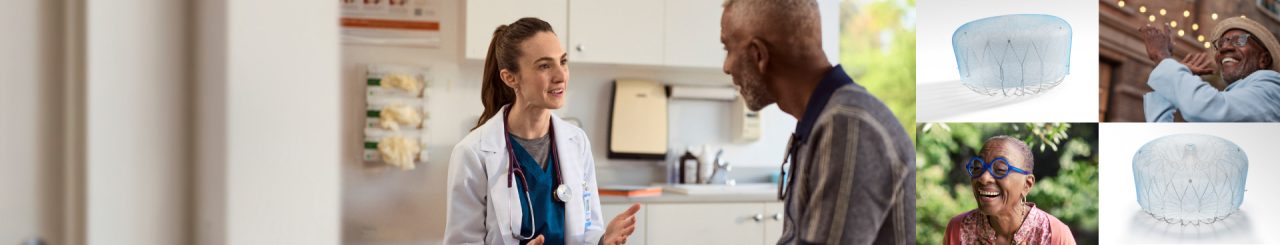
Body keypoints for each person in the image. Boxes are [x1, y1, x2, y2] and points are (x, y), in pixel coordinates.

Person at [719, 0, 915, 243]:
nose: (726, 67)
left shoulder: (848, 126)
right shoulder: (823, 122)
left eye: (728, 49)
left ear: (758, 54)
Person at [444, 17, 639, 245]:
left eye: (563, 62)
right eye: (545, 66)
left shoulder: (577, 141)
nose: (560, 76)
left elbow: (587, 229)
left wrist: (603, 240)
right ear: (510, 77)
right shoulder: (473, 153)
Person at [1140, 16, 1280, 122]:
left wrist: (1162, 58)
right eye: (1220, 43)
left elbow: (1203, 107)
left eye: (1240, 40)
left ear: (1264, 59)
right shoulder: (1232, 100)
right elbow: (1160, 141)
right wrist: (1166, 75)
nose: (1225, 48)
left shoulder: (1271, 89)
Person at [943, 136, 1075, 245]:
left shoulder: (1055, 235)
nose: (983, 178)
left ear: (1027, 185)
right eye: (978, 167)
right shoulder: (959, 229)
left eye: (1000, 169)